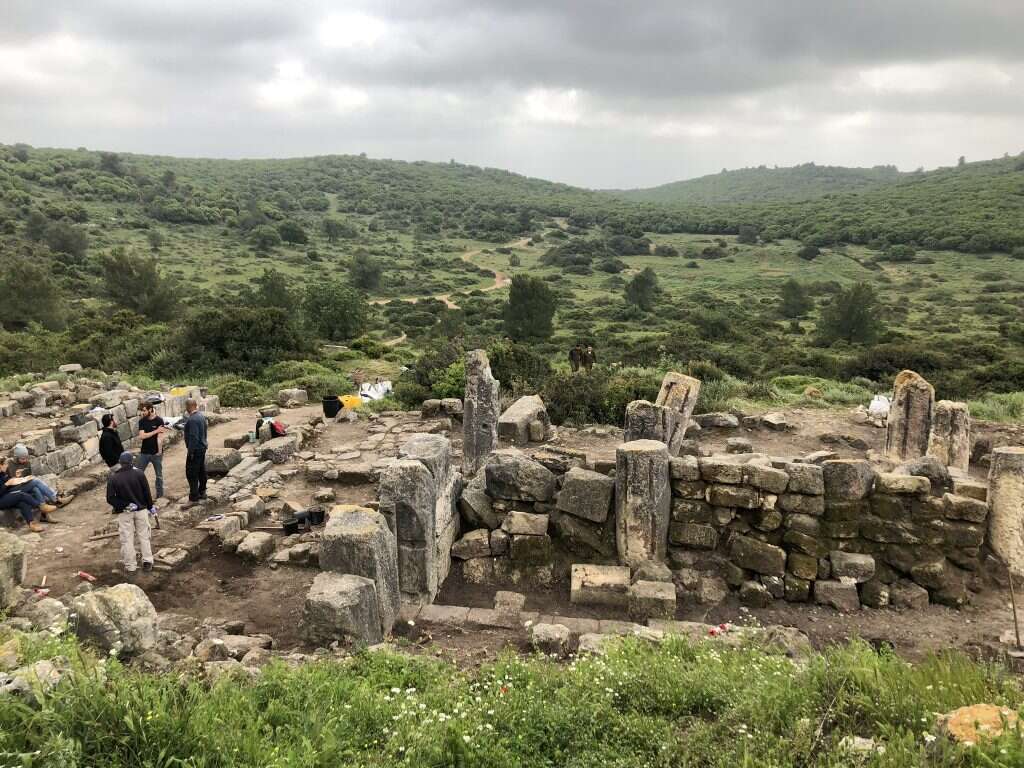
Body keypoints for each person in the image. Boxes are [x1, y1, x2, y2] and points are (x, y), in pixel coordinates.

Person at [106, 451, 154, 575]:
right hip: (141, 510)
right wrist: (150, 507)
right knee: (144, 536)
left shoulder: (113, 477)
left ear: (120, 463)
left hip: (125, 512)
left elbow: (110, 498)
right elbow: (146, 493)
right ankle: (148, 561)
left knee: (127, 539)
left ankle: (131, 566)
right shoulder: (139, 473)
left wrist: (125, 504)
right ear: (132, 461)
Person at [9, 444, 59, 520]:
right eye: (22, 459)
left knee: (36, 489)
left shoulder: (27, 463)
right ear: (16, 457)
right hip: (14, 489)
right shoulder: (9, 464)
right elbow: (9, 482)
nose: (25, 460)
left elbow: (29, 475)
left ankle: (45, 515)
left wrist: (26, 478)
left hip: (25, 485)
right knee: (35, 481)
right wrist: (18, 477)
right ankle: (56, 499)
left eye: (26, 458)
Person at [0, 457, 45, 532]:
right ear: (0, 465)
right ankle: (40, 506)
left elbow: (8, 482)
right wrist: (6, 484)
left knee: (22, 503)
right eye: (5, 464)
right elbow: (4, 487)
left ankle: (32, 524)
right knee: (20, 495)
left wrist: (16, 477)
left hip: (6, 495)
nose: (7, 466)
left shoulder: (2, 473)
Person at [135, 403, 165, 498]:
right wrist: (156, 431)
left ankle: (160, 495)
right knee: (138, 474)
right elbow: (141, 436)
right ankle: (138, 495)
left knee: (159, 475)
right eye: (142, 411)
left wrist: (159, 452)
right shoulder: (142, 421)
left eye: (144, 410)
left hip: (156, 453)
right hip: (144, 452)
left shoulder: (159, 420)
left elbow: (160, 438)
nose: (143, 413)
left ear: (150, 409)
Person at [183, 398, 208, 502]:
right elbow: (205, 432)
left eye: (186, 406)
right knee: (201, 470)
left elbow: (193, 437)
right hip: (202, 447)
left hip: (196, 450)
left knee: (191, 473)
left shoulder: (192, 419)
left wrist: (190, 452)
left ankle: (194, 497)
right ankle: (202, 491)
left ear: (189, 407)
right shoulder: (201, 416)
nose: (186, 409)